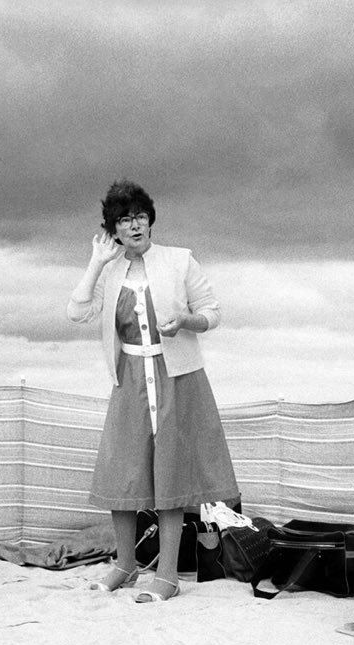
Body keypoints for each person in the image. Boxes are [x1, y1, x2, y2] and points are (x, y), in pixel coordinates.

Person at [67, 180, 240, 602]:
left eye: (140, 216)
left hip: (178, 377)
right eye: (124, 220)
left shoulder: (180, 261)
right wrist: (95, 262)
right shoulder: (109, 271)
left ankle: (167, 575)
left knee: (170, 476)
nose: (135, 225)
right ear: (113, 229)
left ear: (151, 220)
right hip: (129, 378)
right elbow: (77, 312)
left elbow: (212, 314)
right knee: (122, 473)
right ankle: (125, 566)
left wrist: (184, 320)